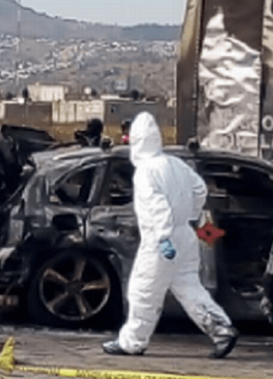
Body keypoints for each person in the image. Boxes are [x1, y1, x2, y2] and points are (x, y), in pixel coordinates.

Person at [102, 112, 238, 358]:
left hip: (160, 240)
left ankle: (132, 342)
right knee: (189, 287)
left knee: (142, 291)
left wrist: (163, 237)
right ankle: (221, 329)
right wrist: (190, 215)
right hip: (185, 234)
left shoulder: (145, 171)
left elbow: (156, 206)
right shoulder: (175, 163)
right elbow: (199, 189)